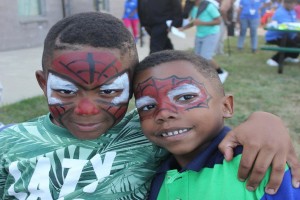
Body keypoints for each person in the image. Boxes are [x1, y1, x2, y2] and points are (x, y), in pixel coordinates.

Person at [0, 12, 300, 199]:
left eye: (108, 90)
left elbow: (206, 125)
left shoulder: (150, 132)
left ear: (130, 90)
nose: (86, 109)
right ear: (43, 83)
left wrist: (266, 120)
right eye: (66, 90)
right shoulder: (8, 143)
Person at [133, 50, 300, 199]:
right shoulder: (152, 175)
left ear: (226, 107)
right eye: (148, 106)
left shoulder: (261, 163)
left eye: (185, 97)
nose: (163, 113)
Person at [180, 0, 229, 83]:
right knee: (197, 57)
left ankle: (221, 72)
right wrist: (182, 28)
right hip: (200, 34)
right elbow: (194, 22)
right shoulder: (192, 7)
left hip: (211, 33)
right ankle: (201, 76)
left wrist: (202, 23)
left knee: (206, 57)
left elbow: (218, 21)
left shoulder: (209, 6)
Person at [265, 0, 300, 67]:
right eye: (291, 3)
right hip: (276, 36)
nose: (293, 5)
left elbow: (294, 23)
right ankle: (274, 60)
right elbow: (287, 26)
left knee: (297, 41)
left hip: (289, 35)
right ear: (285, 3)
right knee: (291, 45)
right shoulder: (280, 12)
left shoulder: (292, 11)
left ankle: (291, 56)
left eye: (294, 3)